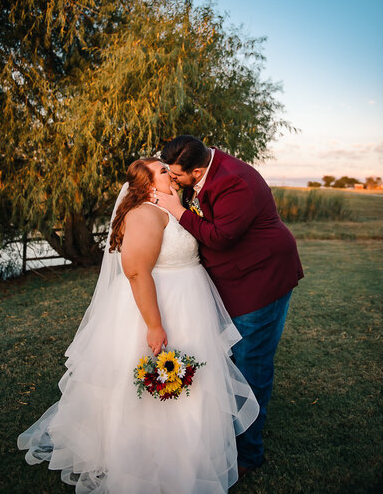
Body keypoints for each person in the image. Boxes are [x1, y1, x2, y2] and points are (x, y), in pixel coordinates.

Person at [17, 157, 259, 494]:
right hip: (161, 306)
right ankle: (144, 460)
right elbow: (136, 271)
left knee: (196, 382)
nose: (171, 173)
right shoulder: (144, 213)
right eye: (163, 171)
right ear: (145, 185)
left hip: (190, 304)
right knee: (154, 381)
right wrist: (154, 326)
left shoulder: (170, 205)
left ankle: (189, 454)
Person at [151, 136, 304, 477]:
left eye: (177, 176)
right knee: (229, 359)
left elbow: (221, 237)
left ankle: (249, 453)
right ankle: (225, 433)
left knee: (251, 363)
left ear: (197, 169)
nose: (172, 180)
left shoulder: (234, 182)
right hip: (231, 279)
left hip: (261, 280)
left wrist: (176, 210)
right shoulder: (198, 175)